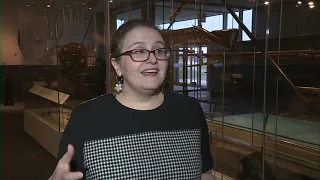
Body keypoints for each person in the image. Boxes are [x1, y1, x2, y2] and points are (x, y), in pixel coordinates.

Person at [49, 19, 215, 180]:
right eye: (139, 51)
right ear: (117, 65)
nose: (152, 59)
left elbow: (205, 174)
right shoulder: (85, 118)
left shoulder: (190, 110)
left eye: (159, 50)